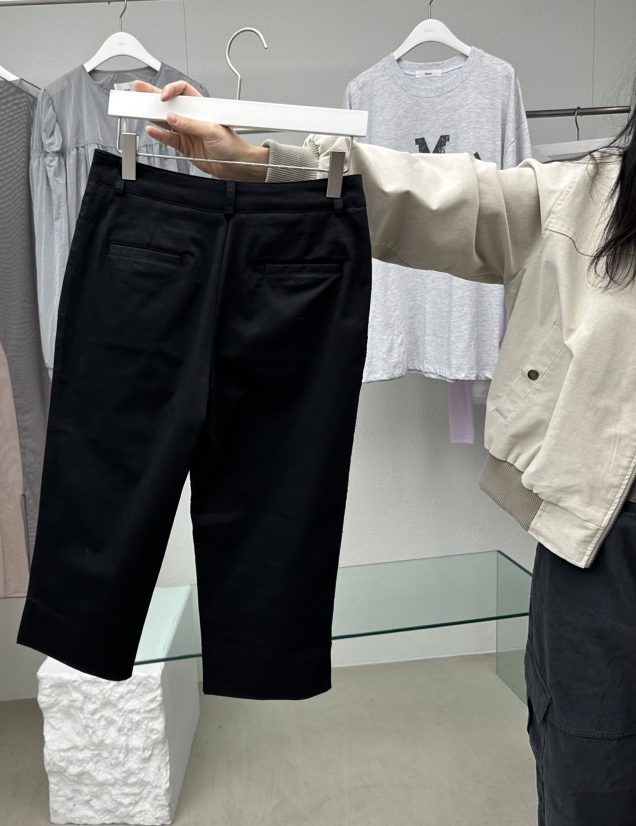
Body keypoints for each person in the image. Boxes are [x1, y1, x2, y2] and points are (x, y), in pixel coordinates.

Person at [132, 78, 636, 826]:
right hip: (602, 538)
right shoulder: (594, 197)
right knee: (593, 773)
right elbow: (442, 195)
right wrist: (264, 164)